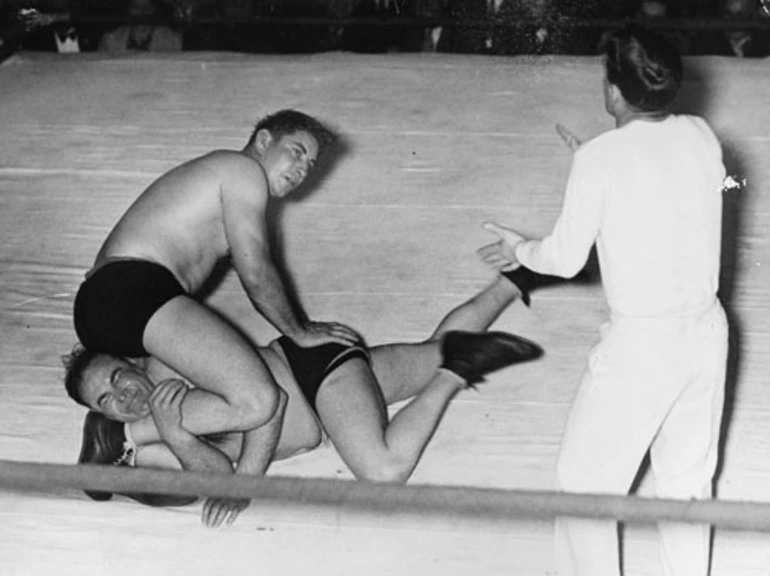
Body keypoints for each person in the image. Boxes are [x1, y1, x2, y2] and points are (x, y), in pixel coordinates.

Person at [478, 25, 728, 576]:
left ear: (613, 90)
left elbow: (565, 259)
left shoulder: (602, 160)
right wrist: (598, 159)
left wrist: (519, 247)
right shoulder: (702, 134)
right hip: (707, 337)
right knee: (687, 485)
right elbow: (665, 184)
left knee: (582, 488)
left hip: (643, 346)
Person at [65, 276, 543, 526]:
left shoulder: (167, 366)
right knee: (432, 347)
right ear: (101, 412)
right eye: (108, 402)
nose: (124, 395)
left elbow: (266, 404)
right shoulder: (164, 429)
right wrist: (176, 437)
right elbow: (217, 478)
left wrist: (244, 481)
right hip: (334, 388)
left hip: (314, 374)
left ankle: (456, 371)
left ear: (130, 361)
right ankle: (513, 280)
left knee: (383, 470)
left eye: (116, 377)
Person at [73, 109, 363, 509]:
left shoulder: (230, 183)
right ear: (263, 141)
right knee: (257, 400)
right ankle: (123, 436)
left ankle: (125, 452)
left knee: (187, 419)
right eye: (296, 152)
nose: (302, 170)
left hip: (113, 306)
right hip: (129, 294)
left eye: (310, 165)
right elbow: (257, 273)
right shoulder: (242, 171)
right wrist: (300, 330)